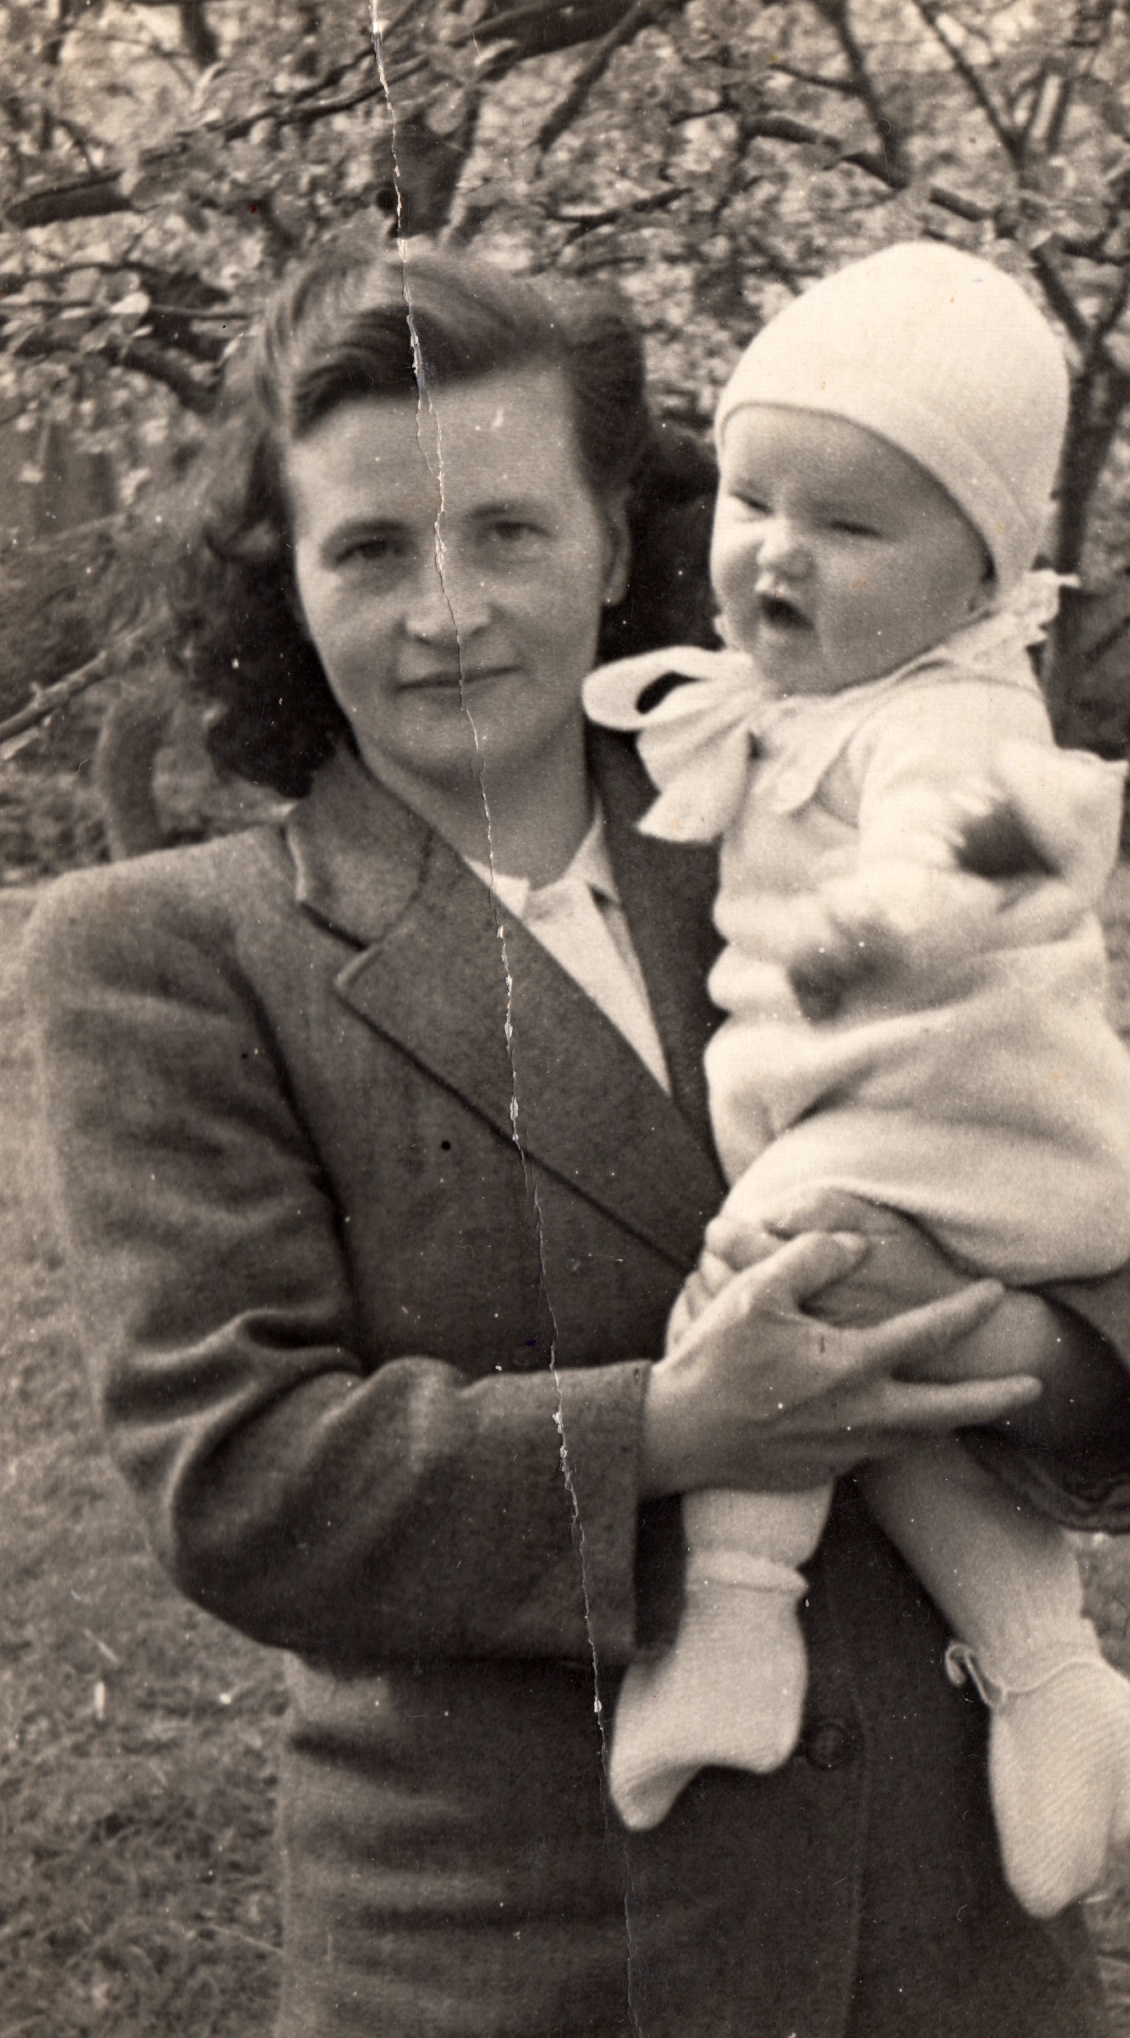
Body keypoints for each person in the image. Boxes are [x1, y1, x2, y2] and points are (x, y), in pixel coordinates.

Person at [22, 239, 1130, 2038]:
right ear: (285, 578)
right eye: (370, 550)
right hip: (528, 1960)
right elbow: (240, 1481)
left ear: (615, 543)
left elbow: (1069, 1206)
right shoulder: (168, 950)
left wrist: (993, 1338)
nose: (446, 608)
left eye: (507, 531)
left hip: (944, 1944)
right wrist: (679, 1430)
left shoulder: (813, 816)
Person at [583, 240, 1130, 1917]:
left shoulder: (950, 712)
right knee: (872, 1390)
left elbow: (1021, 829)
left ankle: (734, 1618)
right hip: (887, 1123)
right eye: (753, 499)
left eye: (849, 525)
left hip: (969, 1127)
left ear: (977, 576)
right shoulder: (797, 702)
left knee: (771, 1283)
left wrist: (872, 927)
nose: (776, 551)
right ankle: (1050, 1674)